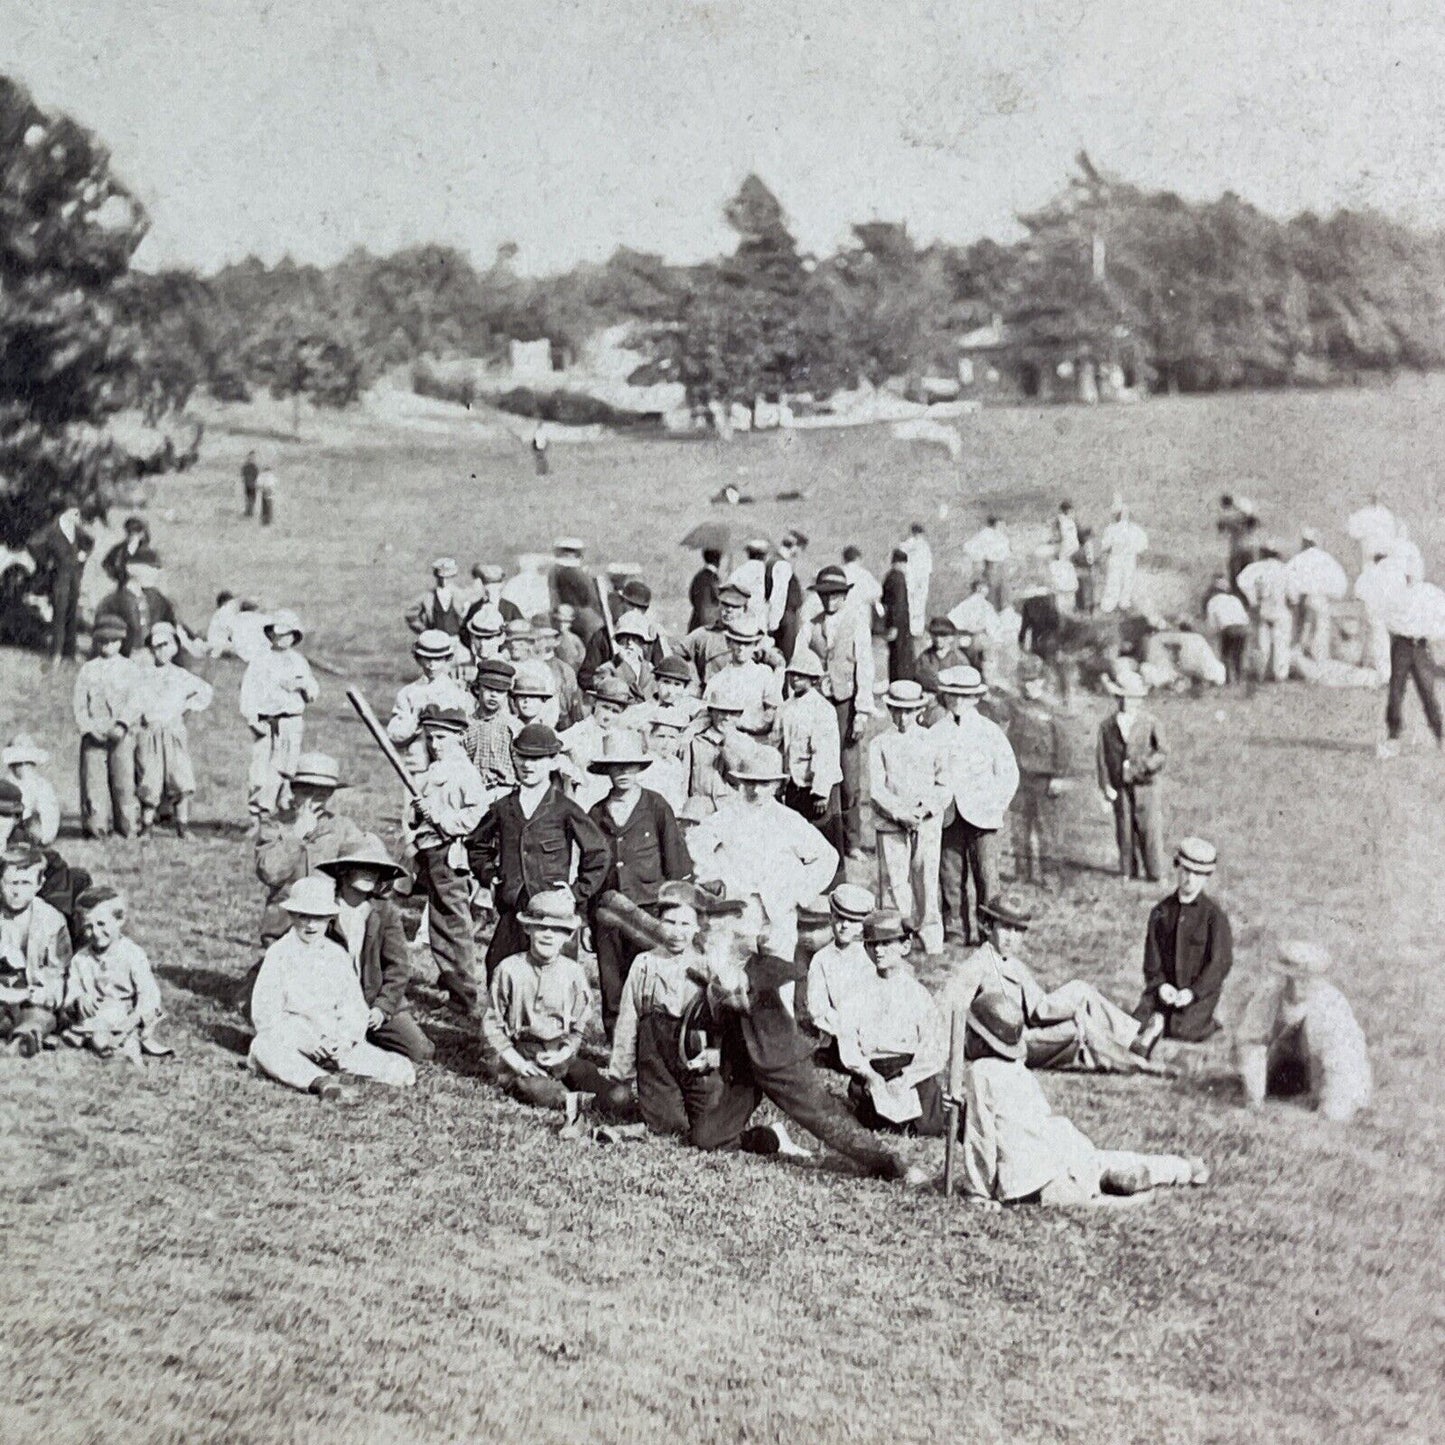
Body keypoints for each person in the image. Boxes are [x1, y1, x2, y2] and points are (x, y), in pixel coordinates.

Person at [674, 883, 915, 1179]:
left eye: (722, 925)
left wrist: (725, 982)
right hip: (744, 1065)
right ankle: (772, 1138)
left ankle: (889, 1163)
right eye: (708, 923)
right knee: (707, 1139)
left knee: (823, 1116)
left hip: (778, 1060)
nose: (709, 930)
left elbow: (755, 992)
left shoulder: (764, 964)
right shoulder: (715, 961)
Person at [957, 990, 1208, 1207]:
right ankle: (1182, 1169)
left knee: (1090, 1199)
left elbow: (982, 1135)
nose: (965, 1037)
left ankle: (1124, 1197)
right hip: (1064, 1153)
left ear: (981, 1041)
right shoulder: (1019, 1071)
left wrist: (979, 1192)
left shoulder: (979, 1072)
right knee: (1102, 1161)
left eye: (969, 1032)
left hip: (1031, 1181)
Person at [942, 891, 1159, 1072]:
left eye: (1018, 931)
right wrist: (965, 1048)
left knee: (1080, 990)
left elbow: (1040, 1009)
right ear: (989, 927)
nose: (1011, 937)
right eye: (1005, 928)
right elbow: (947, 1009)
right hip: (1008, 1043)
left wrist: (1072, 1006)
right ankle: (1136, 1064)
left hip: (1028, 1027)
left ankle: (1133, 1042)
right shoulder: (976, 966)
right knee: (1079, 1026)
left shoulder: (1012, 963)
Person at [249, 875, 416, 1099]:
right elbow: (266, 1015)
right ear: (291, 916)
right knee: (263, 1046)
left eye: (318, 918)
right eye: (303, 917)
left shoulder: (336, 955)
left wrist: (344, 1039)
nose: (310, 925)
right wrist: (306, 1040)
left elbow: (353, 1006)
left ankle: (339, 1068)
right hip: (294, 1039)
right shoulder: (279, 954)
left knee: (401, 1070)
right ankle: (319, 1081)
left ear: (330, 918)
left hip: (334, 1042)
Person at [467, 722, 611, 976]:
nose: (528, 765)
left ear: (553, 761)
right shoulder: (503, 807)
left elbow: (598, 852)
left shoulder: (564, 808)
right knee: (499, 967)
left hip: (553, 912)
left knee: (554, 975)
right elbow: (476, 845)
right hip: (513, 907)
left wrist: (577, 891)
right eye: (522, 757)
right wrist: (491, 875)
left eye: (537, 759)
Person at [686, 743, 837, 962]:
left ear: (777, 785)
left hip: (778, 913)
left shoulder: (789, 820)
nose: (755, 790)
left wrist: (798, 891)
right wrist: (711, 876)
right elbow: (694, 843)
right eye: (749, 783)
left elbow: (827, 857)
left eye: (763, 783)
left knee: (779, 979)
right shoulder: (728, 815)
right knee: (730, 978)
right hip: (736, 912)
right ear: (739, 782)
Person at [586, 730, 693, 1035]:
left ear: (640, 768)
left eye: (629, 766)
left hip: (649, 909)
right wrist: (585, 919)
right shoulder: (596, 813)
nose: (623, 773)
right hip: (608, 911)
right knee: (612, 980)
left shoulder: (656, 806)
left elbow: (675, 862)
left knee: (653, 975)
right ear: (606, 770)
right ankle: (617, 1045)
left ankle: (652, 1041)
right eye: (616, 766)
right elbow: (589, 868)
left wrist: (676, 914)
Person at [483, 888, 624, 1113]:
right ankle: (573, 1101)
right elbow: (492, 1023)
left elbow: (580, 1024)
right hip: (522, 1054)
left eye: (557, 930)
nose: (548, 935)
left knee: (617, 1095)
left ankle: (589, 1098)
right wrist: (516, 1061)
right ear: (527, 928)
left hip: (560, 1053)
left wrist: (566, 1051)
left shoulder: (573, 972)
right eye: (540, 928)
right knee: (536, 1088)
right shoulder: (509, 969)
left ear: (568, 935)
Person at [605, 882, 718, 1135]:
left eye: (685, 924)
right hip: (656, 1057)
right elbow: (627, 1020)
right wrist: (621, 1075)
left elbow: (725, 1025)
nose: (677, 932)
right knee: (669, 1126)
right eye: (670, 922)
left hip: (696, 1055)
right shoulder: (645, 963)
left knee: (711, 1129)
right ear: (659, 922)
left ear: (698, 926)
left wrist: (713, 1056)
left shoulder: (708, 964)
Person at [316, 835, 435, 1065]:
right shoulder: (323, 909)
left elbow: (399, 967)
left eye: (376, 867)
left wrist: (383, 1007)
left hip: (373, 1003)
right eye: (363, 866)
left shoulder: (384, 911)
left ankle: (367, 1034)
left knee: (421, 1052)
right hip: (332, 1002)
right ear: (343, 870)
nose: (371, 872)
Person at [834, 910, 950, 1135]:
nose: (878, 950)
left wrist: (907, 1078)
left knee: (927, 1125)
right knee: (871, 1117)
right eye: (872, 944)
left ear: (905, 946)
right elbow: (848, 1045)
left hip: (910, 1070)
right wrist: (870, 1075)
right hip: (873, 1069)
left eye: (886, 943)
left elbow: (933, 1048)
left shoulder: (918, 995)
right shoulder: (855, 993)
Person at [1235, 941, 1370, 1123]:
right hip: (1282, 1071)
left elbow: (1342, 1064)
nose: (1296, 988)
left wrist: (1328, 1114)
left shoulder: (1332, 1007)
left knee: (1338, 1103)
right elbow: (1251, 1043)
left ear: (1317, 980)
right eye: (1290, 980)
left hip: (1327, 1075)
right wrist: (1254, 1099)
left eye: (1304, 981)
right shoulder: (1268, 997)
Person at [410, 706, 489, 1014]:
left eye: (442, 738)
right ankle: (453, 988)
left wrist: (440, 817)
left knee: (453, 925)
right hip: (430, 850)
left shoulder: (463, 771)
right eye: (431, 738)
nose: (436, 744)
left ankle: (464, 996)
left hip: (450, 853)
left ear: (459, 737)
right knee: (439, 925)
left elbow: (477, 815)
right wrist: (421, 812)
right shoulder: (436, 769)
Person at [931, 666, 1019, 944]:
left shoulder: (988, 731)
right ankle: (955, 929)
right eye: (952, 695)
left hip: (983, 815)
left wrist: (996, 805)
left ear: (975, 698)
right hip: (949, 813)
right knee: (950, 874)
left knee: (986, 875)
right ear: (944, 696)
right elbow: (925, 772)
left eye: (964, 696)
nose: (958, 701)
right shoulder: (936, 731)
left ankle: (987, 931)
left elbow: (1008, 773)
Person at [795, 565, 875, 859]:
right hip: (818, 703)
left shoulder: (857, 623)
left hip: (845, 703)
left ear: (845, 595)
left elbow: (865, 666)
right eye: (825, 596)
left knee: (849, 771)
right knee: (817, 763)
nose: (830, 601)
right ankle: (820, 833)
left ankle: (852, 839)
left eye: (836, 595)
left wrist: (862, 711)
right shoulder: (810, 625)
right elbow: (798, 658)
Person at [1131, 837, 1234, 1057]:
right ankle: (1154, 1021)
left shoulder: (1214, 917)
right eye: (1185, 871)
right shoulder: (1161, 911)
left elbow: (1219, 964)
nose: (1189, 879)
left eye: (1197, 874)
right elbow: (1152, 959)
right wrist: (1160, 985)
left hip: (1195, 996)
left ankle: (1165, 1023)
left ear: (1207, 878)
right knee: (1134, 1023)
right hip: (1165, 991)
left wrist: (1192, 993)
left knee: (1184, 1030)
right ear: (1177, 868)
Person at [868, 680, 948, 956]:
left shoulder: (932, 742)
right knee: (893, 880)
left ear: (919, 710)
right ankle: (896, 932)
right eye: (896, 710)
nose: (902, 717)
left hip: (925, 822)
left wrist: (923, 810)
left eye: (908, 711)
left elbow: (944, 783)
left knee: (925, 877)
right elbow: (877, 789)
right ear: (889, 709)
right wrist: (900, 814)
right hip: (891, 823)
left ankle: (930, 931)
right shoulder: (879, 744)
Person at [255, 753, 366, 949]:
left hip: (327, 926)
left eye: (322, 795)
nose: (312, 802)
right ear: (293, 790)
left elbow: (369, 868)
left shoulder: (342, 827)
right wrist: (296, 836)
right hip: (283, 926)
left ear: (330, 795)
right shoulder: (275, 825)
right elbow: (270, 873)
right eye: (306, 792)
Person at [60, 886, 168, 1063]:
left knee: (114, 1034)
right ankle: (96, 1039)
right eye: (88, 926)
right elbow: (73, 989)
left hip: (124, 1015)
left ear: (119, 920)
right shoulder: (81, 958)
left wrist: (136, 1017)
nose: (95, 932)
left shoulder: (132, 954)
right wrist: (79, 1000)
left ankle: (114, 1043)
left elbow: (148, 993)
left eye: (101, 924)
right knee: (92, 1030)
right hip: (93, 1015)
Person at [133, 621, 213, 838]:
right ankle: (146, 826)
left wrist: (185, 709)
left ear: (175, 646)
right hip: (150, 733)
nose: (161, 651)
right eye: (156, 646)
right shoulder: (143, 675)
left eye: (165, 645)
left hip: (173, 732)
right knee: (150, 778)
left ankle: (182, 826)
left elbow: (204, 691)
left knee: (180, 777)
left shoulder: (180, 676)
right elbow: (132, 699)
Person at [239, 610, 319, 825]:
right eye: (276, 633)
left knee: (286, 769)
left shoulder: (298, 662)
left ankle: (281, 812)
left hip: (290, 721)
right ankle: (258, 816)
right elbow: (248, 693)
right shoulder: (260, 661)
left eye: (286, 634)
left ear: (294, 636)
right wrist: (252, 719)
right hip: (266, 722)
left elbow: (313, 691)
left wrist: (303, 685)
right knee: (260, 771)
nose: (281, 638)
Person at [0, 844, 72, 1057]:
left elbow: (59, 971)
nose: (17, 890)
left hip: (30, 998)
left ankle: (24, 1039)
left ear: (39, 884)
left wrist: (46, 993)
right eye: (11, 882)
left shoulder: (51, 920)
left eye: (25, 883)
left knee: (41, 1017)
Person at [72, 614, 141, 837]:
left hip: (121, 734)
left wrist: (122, 724)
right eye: (102, 641)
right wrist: (89, 728)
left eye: (112, 641)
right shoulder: (88, 670)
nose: (107, 646)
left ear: (121, 642)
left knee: (124, 782)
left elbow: (136, 700)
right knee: (94, 783)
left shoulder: (130, 669)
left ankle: (128, 827)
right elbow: (79, 704)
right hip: (94, 733)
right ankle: (96, 827)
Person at [1005, 656, 1072, 885]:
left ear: (1042, 681)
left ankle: (1049, 875)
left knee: (1047, 830)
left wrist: (1059, 776)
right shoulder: (1015, 707)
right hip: (1020, 778)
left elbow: (1063, 745)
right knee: (1019, 828)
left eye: (1034, 681)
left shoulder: (1052, 708)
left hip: (1045, 778)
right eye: (1025, 681)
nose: (1029, 686)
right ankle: (1021, 873)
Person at [1096, 673, 1167, 881]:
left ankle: (1155, 873)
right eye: (1122, 697)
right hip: (1119, 785)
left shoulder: (1150, 722)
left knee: (1149, 828)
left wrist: (1144, 766)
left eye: (1132, 697)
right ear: (1117, 698)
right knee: (1124, 826)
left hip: (1145, 785)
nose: (1127, 702)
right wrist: (1105, 784)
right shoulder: (1107, 725)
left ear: (1139, 699)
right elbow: (1101, 758)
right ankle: (1127, 870)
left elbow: (1162, 752)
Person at [775, 651, 843, 857]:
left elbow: (825, 752)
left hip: (817, 786)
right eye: (792, 674)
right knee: (797, 840)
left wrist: (821, 791)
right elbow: (778, 744)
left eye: (802, 675)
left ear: (814, 679)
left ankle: (832, 885)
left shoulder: (822, 709)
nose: (795, 679)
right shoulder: (785, 708)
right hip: (794, 785)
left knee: (823, 839)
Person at [802, 883, 877, 1064]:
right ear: (831, 918)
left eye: (852, 921)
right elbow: (818, 1009)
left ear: (863, 924)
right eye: (839, 918)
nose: (844, 925)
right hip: (841, 1034)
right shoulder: (822, 959)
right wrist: (844, 1027)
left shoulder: (874, 955)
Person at [387, 629, 475, 773]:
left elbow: (469, 731)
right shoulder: (409, 693)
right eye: (427, 659)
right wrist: (415, 719)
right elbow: (395, 735)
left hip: (451, 768)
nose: (431, 665)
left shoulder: (458, 692)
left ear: (447, 658)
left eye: (438, 659)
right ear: (418, 658)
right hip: (418, 767)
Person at [1376, 572, 1444, 757]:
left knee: (1427, 691)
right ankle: (1393, 736)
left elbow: (1438, 619)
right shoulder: (1397, 594)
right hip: (1402, 646)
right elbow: (1388, 619)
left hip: (1420, 646)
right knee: (1396, 691)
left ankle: (1439, 734)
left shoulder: (1429, 594)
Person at [25, 500, 93, 660]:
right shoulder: (52, 530)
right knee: (60, 612)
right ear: (66, 512)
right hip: (59, 577)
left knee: (72, 611)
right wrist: (47, 563)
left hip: (75, 577)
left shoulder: (77, 530)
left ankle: (70, 652)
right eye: (75, 513)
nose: (78, 517)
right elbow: (32, 544)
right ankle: (56, 652)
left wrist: (83, 554)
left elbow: (90, 542)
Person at [92, 547, 180, 657]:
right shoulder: (111, 602)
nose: (157, 573)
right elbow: (102, 640)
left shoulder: (157, 599)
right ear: (130, 568)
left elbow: (172, 624)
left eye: (158, 569)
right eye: (151, 567)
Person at [684, 676, 746, 816]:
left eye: (733, 713)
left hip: (730, 807)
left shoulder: (744, 743)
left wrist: (728, 744)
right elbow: (685, 777)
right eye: (722, 712)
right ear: (711, 712)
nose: (727, 717)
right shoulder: (696, 740)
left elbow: (739, 780)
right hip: (699, 807)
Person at [1285, 531, 1348, 664]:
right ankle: (1319, 657)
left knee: (1305, 627)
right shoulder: (1326, 558)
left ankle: (1302, 657)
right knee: (1321, 628)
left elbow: (1288, 578)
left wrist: (1293, 598)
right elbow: (1340, 580)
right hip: (1321, 598)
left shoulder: (1299, 559)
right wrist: (1334, 595)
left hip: (1306, 598)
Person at [1236, 542, 1293, 683]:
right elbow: (1293, 594)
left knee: (1262, 643)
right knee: (1281, 642)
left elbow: (1242, 581)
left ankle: (1260, 673)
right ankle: (1280, 675)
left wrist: (1252, 599)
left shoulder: (1256, 568)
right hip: (1279, 608)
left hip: (1263, 608)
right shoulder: (1285, 569)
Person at [461, 657, 518, 791]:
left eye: (500, 691)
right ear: (476, 689)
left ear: (507, 695)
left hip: (505, 791)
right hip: (472, 791)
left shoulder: (513, 726)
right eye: (488, 689)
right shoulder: (465, 725)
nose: (493, 695)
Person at [3, 736, 60, 848]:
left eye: (24, 763)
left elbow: (49, 823)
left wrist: (42, 836)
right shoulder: (7, 783)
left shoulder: (42, 786)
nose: (21, 767)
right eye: (16, 764)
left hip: (33, 836)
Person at [547, 537, 605, 640]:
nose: (568, 554)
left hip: (573, 616)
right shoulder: (579, 573)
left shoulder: (558, 571)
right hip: (576, 616)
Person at [1098, 503, 1148, 613]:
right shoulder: (1135, 529)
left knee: (1114, 581)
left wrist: (1108, 550)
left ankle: (1109, 605)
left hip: (1117, 558)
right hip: (1128, 559)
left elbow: (1105, 545)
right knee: (1126, 581)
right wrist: (1135, 551)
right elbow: (1143, 545)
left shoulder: (1112, 529)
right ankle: (1123, 603)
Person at [1203, 577, 1251, 686]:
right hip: (1242, 628)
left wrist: (1212, 634)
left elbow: (1212, 623)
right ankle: (1239, 678)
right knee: (1238, 655)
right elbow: (1245, 617)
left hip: (1228, 629)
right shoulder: (1235, 599)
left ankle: (1227, 679)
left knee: (1225, 654)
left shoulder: (1213, 601)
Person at [405, 557, 467, 637]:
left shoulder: (461, 595)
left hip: (456, 640)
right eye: (441, 578)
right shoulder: (428, 597)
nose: (444, 581)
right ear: (436, 577)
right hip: (435, 641)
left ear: (453, 577)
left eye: (447, 577)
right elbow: (410, 615)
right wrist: (424, 630)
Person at [880, 548, 915, 683]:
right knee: (902, 657)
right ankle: (903, 683)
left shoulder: (889, 576)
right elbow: (899, 604)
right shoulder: (899, 578)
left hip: (893, 623)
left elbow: (885, 601)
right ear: (902, 563)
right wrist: (895, 625)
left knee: (894, 656)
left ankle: (895, 682)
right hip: (900, 625)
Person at [964, 517, 1012, 611]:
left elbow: (1007, 551)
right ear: (996, 523)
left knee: (1003, 595)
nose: (1003, 526)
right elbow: (969, 547)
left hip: (1002, 566)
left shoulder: (1001, 535)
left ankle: (1001, 617)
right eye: (1001, 523)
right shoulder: (985, 534)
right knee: (991, 594)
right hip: (992, 566)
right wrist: (980, 559)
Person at [1346, 492, 1397, 573]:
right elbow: (1353, 532)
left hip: (1378, 554)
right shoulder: (1385, 514)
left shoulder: (1384, 514)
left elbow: (1353, 532)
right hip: (1375, 554)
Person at [899, 522, 932, 639]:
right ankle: (913, 629)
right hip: (913, 578)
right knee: (913, 603)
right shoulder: (908, 545)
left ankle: (916, 629)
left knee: (918, 603)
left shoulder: (921, 546)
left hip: (919, 579)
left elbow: (928, 566)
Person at [100, 516, 151, 586]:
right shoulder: (119, 550)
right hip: (125, 585)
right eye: (142, 531)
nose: (144, 534)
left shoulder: (144, 550)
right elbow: (107, 564)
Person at [687, 549, 723, 633]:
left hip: (695, 623)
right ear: (718, 560)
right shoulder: (714, 579)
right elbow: (719, 599)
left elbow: (692, 596)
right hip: (710, 626)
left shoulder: (698, 576)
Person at [241, 451, 260, 517]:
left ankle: (249, 511)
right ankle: (250, 511)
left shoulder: (247, 466)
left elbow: (243, 474)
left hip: (248, 483)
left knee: (249, 497)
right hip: (251, 484)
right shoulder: (254, 467)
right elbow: (257, 475)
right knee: (251, 497)